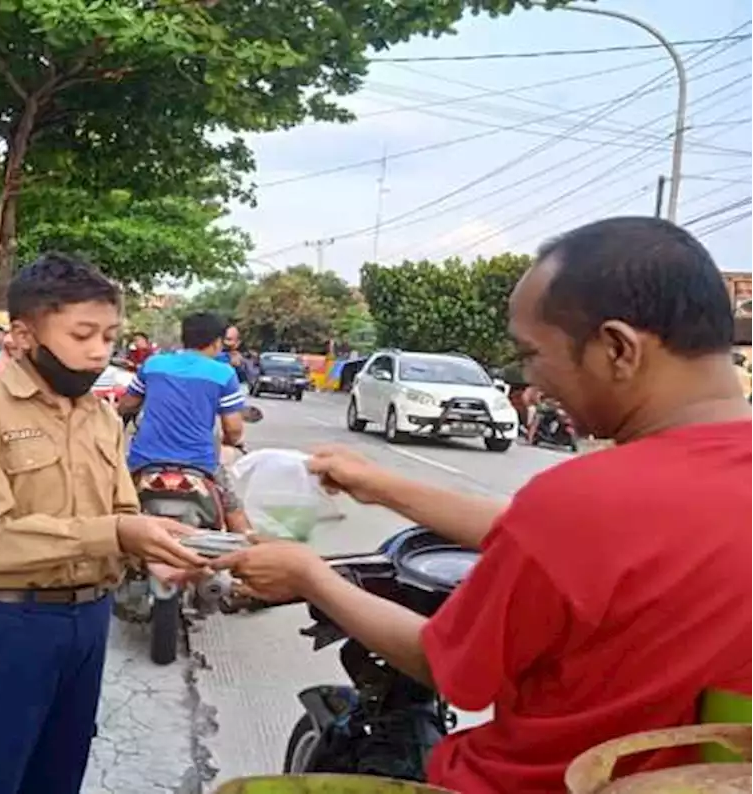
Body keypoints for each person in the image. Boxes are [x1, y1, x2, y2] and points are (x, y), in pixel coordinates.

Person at [214, 217, 753, 793]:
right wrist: (380, 485)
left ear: (617, 348)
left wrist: (309, 574)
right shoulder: (649, 495)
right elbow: (566, 539)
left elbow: (445, 665)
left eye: (532, 355)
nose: (533, 384)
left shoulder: (586, 499)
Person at [0, 252, 210, 794]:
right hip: (7, 627)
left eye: (109, 336)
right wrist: (117, 535)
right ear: (23, 334)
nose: (100, 351)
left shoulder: (100, 414)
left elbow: (123, 511)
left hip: (88, 623)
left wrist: (157, 553)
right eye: (82, 334)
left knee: (58, 776)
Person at [118, 312, 252, 532]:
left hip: (143, 462)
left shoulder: (153, 365)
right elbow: (233, 429)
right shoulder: (223, 373)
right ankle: (249, 559)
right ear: (217, 342)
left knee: (112, 504)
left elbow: (126, 406)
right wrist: (231, 441)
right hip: (200, 465)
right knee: (233, 510)